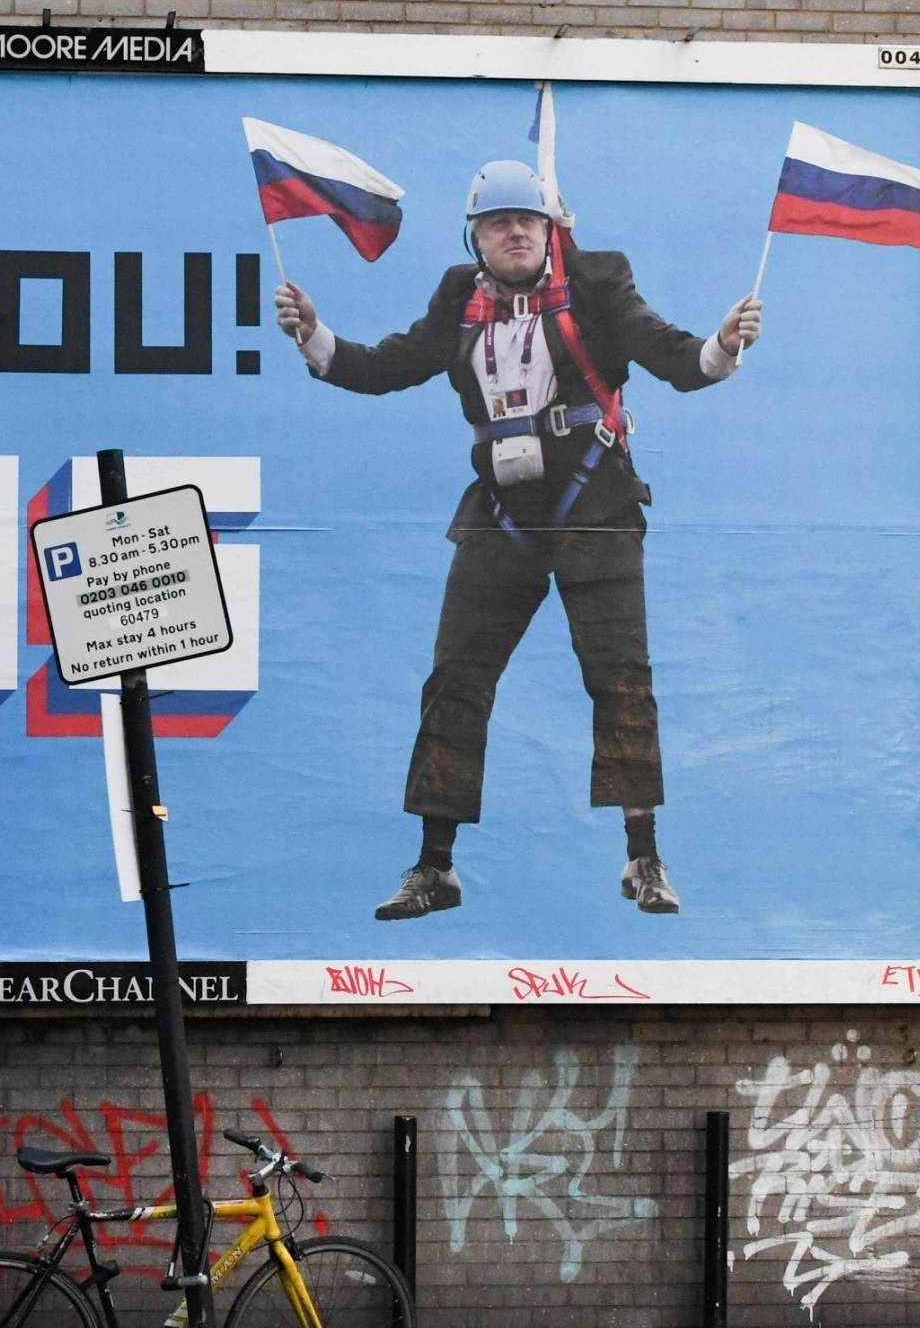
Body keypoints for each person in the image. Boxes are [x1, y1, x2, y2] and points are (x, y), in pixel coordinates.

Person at [274, 160, 761, 922]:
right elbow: (387, 365)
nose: (514, 232)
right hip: (501, 512)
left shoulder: (600, 281)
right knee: (454, 679)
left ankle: (645, 856)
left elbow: (667, 351)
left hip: (596, 507)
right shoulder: (457, 298)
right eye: (497, 222)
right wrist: (316, 336)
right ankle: (434, 868)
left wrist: (722, 345)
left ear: (552, 229)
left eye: (527, 220)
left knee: (621, 678)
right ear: (475, 236)